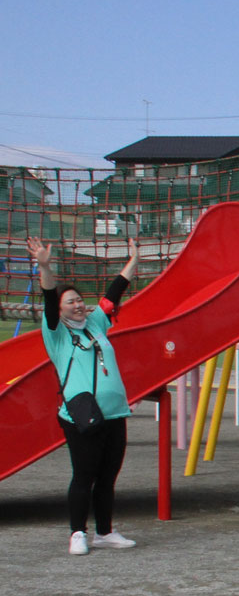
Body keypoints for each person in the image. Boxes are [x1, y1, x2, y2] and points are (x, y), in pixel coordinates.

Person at [30, 236, 140, 556]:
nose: (77, 305)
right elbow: (49, 298)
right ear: (61, 311)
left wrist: (133, 260)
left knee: (108, 476)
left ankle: (104, 532)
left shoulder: (95, 323)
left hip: (114, 412)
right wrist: (45, 266)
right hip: (82, 415)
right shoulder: (57, 333)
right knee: (84, 474)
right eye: (71, 302)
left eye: (79, 300)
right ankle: (78, 532)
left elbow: (113, 293)